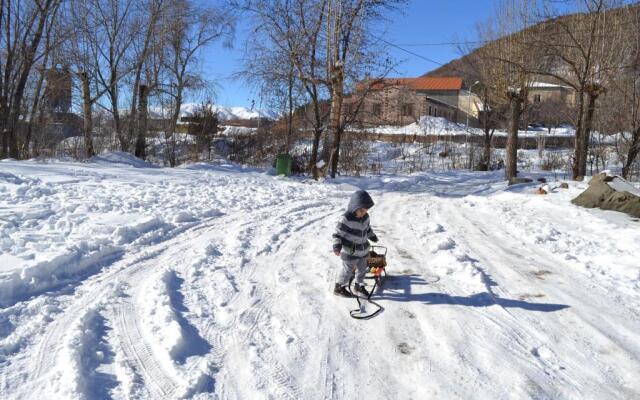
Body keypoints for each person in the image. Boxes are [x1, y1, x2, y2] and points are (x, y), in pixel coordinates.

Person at [332, 190, 378, 297]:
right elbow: (337, 234)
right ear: (354, 207)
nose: (364, 213)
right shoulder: (346, 219)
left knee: (362, 270)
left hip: (363, 250)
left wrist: (372, 236)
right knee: (347, 270)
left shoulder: (365, 217)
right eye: (361, 211)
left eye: (366, 211)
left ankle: (358, 285)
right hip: (350, 250)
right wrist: (337, 246)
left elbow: (367, 229)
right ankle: (339, 287)